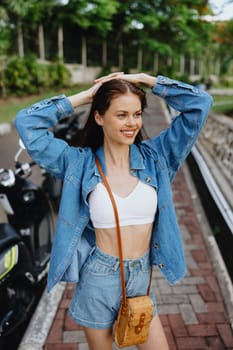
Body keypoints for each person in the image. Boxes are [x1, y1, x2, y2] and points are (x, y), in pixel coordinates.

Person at [15, 72, 213, 350]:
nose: (132, 123)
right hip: (99, 279)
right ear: (99, 117)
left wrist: (147, 80)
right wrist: (86, 96)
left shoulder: (157, 157)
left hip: (141, 278)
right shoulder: (78, 163)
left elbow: (200, 103)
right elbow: (27, 123)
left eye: (137, 114)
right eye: (121, 115)